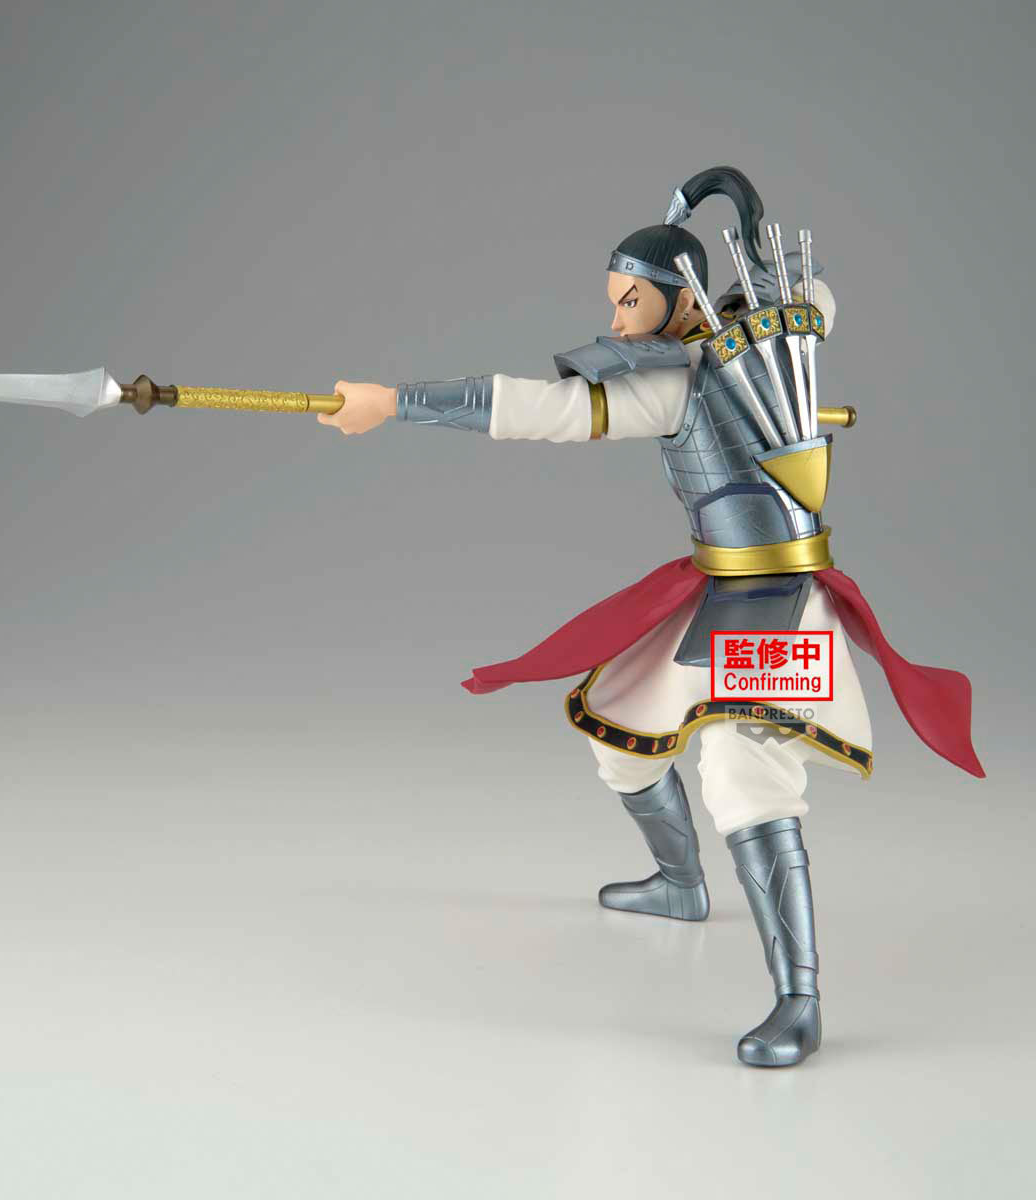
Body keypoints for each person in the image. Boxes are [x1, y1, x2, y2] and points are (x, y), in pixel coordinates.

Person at [318, 165, 983, 1068]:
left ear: (679, 297)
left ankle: (800, 999)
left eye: (633, 301)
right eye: (615, 302)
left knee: (746, 774)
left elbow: (544, 409)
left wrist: (394, 403)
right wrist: (754, 246)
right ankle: (680, 882)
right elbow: (807, 298)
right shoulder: (761, 341)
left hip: (784, 601)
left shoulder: (692, 375)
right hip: (720, 584)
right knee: (620, 734)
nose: (620, 320)